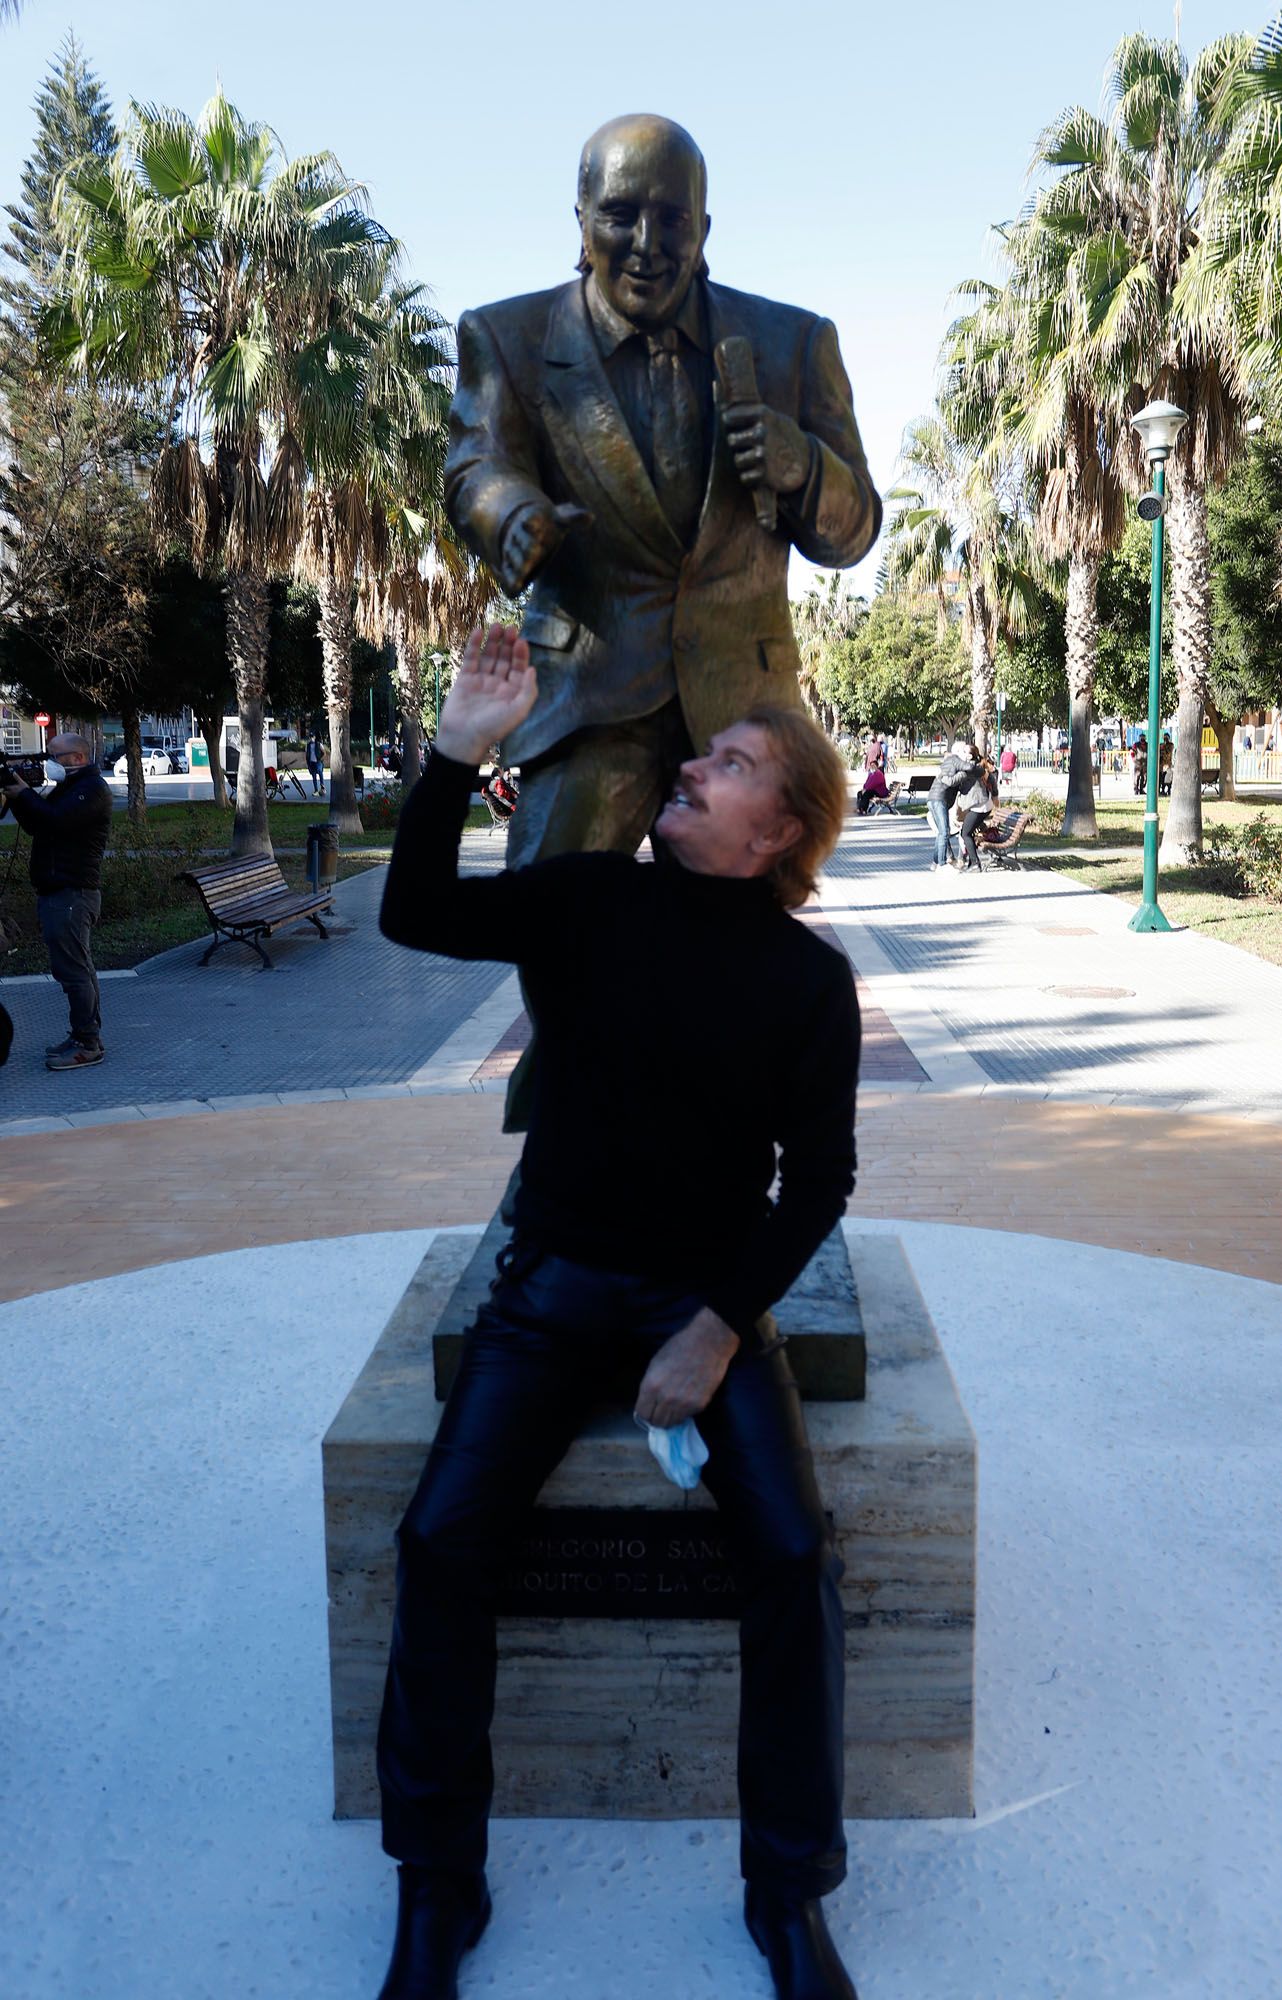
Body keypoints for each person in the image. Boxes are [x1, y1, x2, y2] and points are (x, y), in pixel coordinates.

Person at [374, 625, 862, 2000]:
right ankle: (437, 1886)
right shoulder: (588, 898)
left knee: (789, 1561)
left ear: (778, 833)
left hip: (699, 1298)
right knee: (437, 1544)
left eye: (730, 762)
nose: (692, 766)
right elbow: (414, 913)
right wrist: (456, 748)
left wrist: (715, 1330)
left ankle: (787, 1894)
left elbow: (818, 1182)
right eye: (704, 753)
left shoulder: (807, 982)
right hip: (555, 1287)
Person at [443, 115, 881, 883]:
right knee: (551, 926)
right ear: (582, 221)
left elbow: (853, 534)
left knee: (738, 965)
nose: (647, 242)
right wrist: (512, 515)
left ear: (703, 229)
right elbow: (475, 467)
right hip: (588, 704)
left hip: (743, 717)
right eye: (620, 214)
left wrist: (802, 466)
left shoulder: (792, 343)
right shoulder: (510, 337)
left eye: (672, 218)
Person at [0, 733, 112, 1070]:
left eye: (53, 755)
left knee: (74, 972)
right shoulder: (70, 787)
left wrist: (23, 793)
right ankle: (84, 1034)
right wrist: (19, 795)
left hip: (72, 894)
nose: (47, 761)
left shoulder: (91, 789)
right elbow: (38, 824)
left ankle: (88, 1043)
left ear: (77, 758)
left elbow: (57, 821)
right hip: (59, 892)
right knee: (76, 969)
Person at [925, 742, 977, 870]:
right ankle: (941, 864)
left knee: (941, 833)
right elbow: (968, 768)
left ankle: (935, 862)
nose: (965, 754)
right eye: (964, 751)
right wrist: (973, 761)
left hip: (934, 798)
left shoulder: (949, 761)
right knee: (944, 832)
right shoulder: (955, 759)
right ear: (959, 751)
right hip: (939, 799)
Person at [956, 756, 998, 872]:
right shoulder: (975, 769)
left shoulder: (975, 769)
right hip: (982, 806)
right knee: (967, 832)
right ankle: (970, 861)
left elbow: (992, 780)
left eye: (965, 752)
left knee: (965, 833)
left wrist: (995, 795)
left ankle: (974, 862)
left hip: (980, 807)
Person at [306, 732, 325, 797]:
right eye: (310, 737)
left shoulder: (319, 744)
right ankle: (316, 790)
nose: (311, 738)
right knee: (314, 776)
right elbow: (307, 754)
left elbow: (324, 753)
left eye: (312, 736)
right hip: (311, 762)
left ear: (315, 737)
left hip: (318, 761)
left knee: (320, 772)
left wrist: (321, 759)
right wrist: (308, 763)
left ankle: (322, 787)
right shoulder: (308, 745)